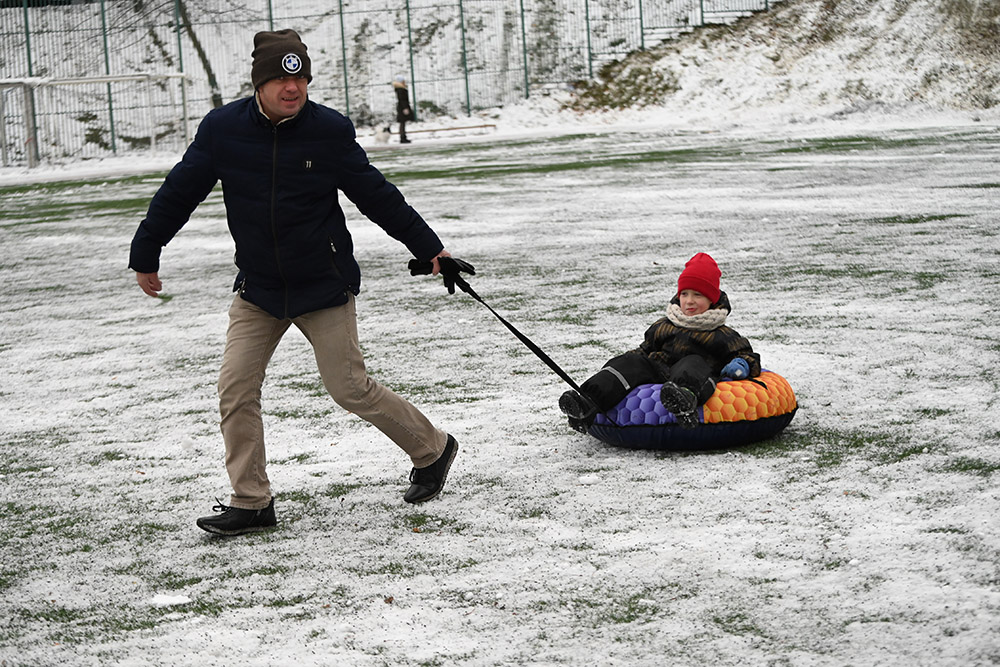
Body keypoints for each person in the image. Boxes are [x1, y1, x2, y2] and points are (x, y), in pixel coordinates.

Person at [128, 29, 471, 536]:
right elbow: (179, 191)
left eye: (301, 78)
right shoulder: (223, 130)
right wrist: (147, 250)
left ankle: (433, 448)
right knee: (235, 391)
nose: (293, 88)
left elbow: (376, 195)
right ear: (260, 83)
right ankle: (251, 501)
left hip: (322, 284)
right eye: (281, 79)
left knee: (349, 388)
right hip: (260, 289)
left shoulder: (327, 131)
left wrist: (430, 248)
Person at [559, 252, 761, 432]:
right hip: (658, 370)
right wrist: (626, 361)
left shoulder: (722, 334)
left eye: (697, 295)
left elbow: (746, 355)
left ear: (712, 300)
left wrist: (741, 364)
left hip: (693, 376)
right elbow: (645, 350)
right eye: (684, 294)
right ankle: (587, 402)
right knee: (629, 362)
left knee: (692, 361)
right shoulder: (664, 326)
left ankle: (683, 400)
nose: (689, 301)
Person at [393, 75, 412, 144]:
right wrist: (405, 108)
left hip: (401, 107)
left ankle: (403, 136)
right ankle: (403, 137)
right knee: (402, 123)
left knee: (402, 123)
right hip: (402, 107)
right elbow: (402, 99)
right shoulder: (401, 89)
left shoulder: (399, 89)